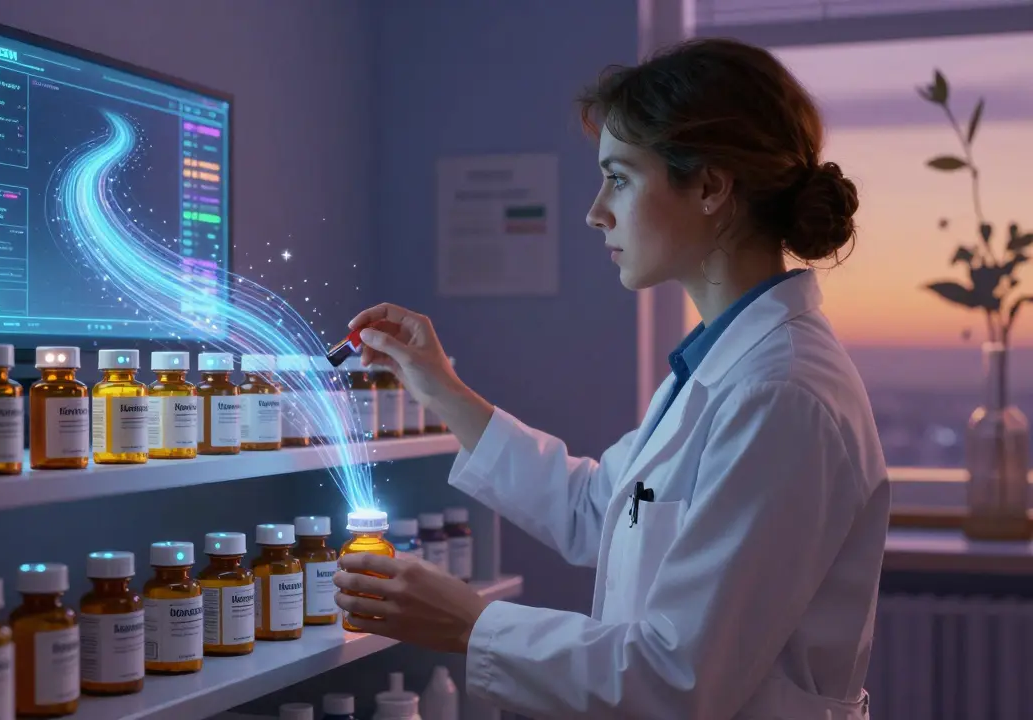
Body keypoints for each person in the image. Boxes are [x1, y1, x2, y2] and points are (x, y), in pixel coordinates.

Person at [332, 37, 889, 720]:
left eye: (619, 178)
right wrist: (438, 385)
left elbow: (678, 680)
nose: (596, 211)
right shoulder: (721, 366)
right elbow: (598, 508)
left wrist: (472, 625)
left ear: (711, 187)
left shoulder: (781, 394)